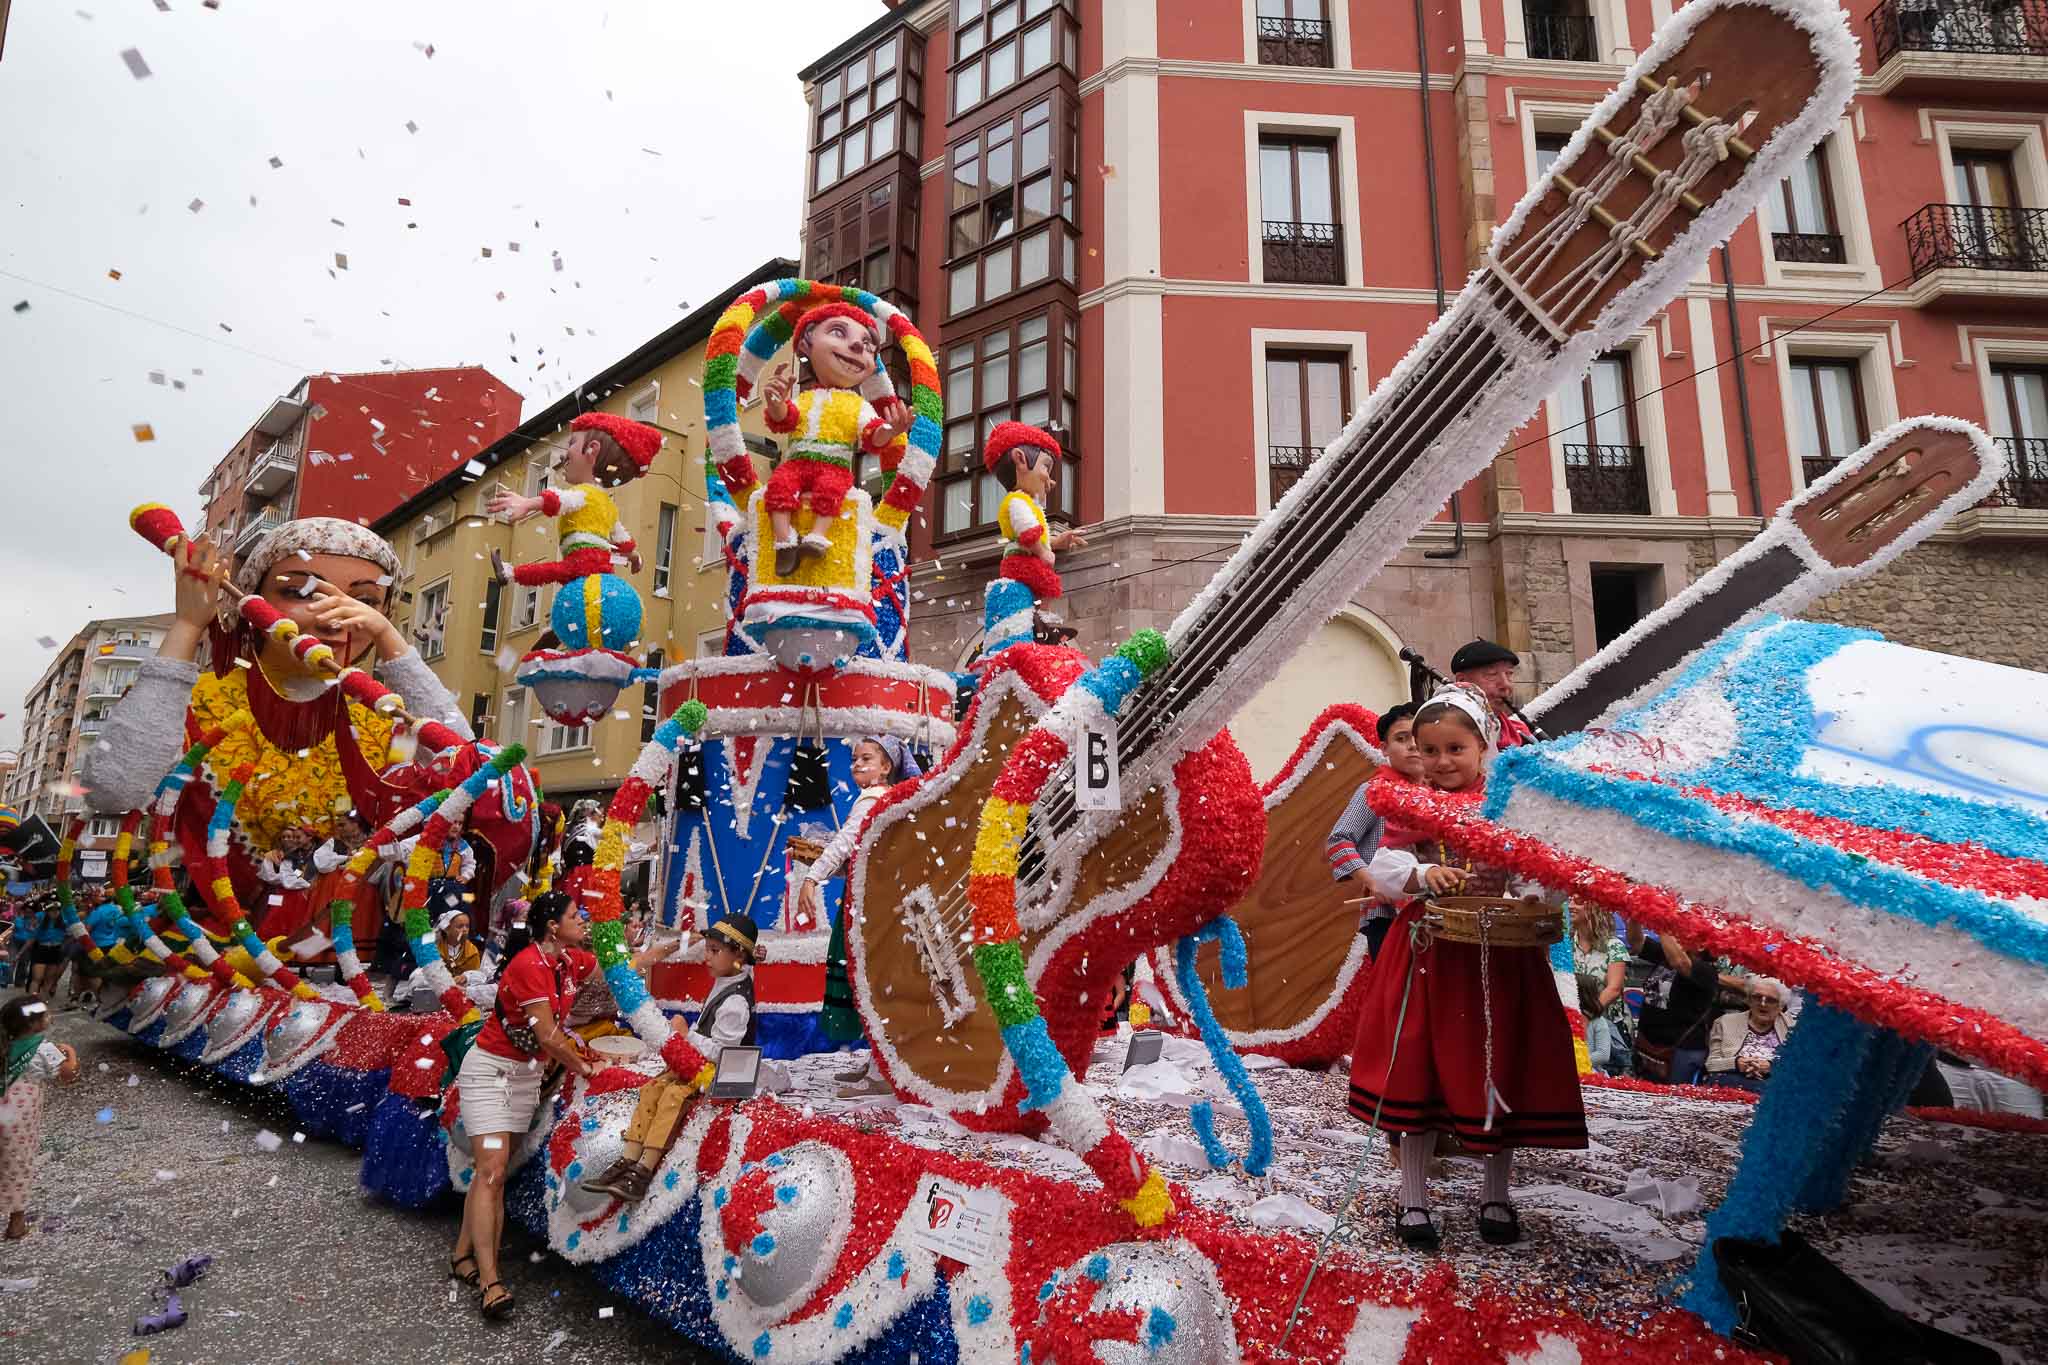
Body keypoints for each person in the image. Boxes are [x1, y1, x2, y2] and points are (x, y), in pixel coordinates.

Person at [80, 517, 473, 939]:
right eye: (297, 592)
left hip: (350, 953)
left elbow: (469, 773)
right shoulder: (204, 698)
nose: (333, 618)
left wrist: (390, 641)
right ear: (251, 601)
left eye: (365, 601)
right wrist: (189, 625)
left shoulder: (380, 715)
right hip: (216, 953)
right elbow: (114, 789)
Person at [1348, 685, 1585, 1250]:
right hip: (1429, 954)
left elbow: (1539, 870)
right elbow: (1382, 861)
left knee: (1499, 1064)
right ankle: (1413, 1200)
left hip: (1501, 957)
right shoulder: (1412, 806)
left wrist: (1533, 896)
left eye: (1456, 748)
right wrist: (1424, 876)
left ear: (1483, 747)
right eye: (1430, 750)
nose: (1442, 761)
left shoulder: (1510, 807)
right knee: (1418, 1069)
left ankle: (1496, 1195)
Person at [449, 893, 597, 1319]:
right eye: (574, 915)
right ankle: (491, 1283)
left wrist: (684, 946)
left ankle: (462, 1256)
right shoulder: (529, 964)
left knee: (491, 1171)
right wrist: (584, 1068)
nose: (581, 920)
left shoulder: (568, 961)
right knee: (493, 1170)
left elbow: (620, 969)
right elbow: (549, 1037)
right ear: (552, 925)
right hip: (491, 1073)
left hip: (525, 1079)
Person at [582, 913, 760, 1203]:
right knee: (652, 1087)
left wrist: (686, 1035)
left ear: (738, 954)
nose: (708, 957)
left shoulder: (737, 1000)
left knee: (673, 1095)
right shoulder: (731, 975)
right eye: (708, 949)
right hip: (698, 1061)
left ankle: (643, 1170)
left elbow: (725, 1052)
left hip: (719, 1071)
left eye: (715, 951)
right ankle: (627, 1160)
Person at [799, 736, 922, 1096]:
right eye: (853, 758)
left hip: (870, 907)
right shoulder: (886, 800)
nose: (856, 764)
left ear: (886, 767)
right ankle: (878, 1065)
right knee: (874, 982)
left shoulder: (871, 798)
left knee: (869, 982)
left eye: (866, 758)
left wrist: (811, 877)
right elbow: (865, 856)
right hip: (876, 902)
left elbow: (844, 844)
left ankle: (883, 1074)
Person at [759, 302, 914, 575]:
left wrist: (891, 430)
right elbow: (784, 419)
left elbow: (872, 437)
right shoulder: (805, 399)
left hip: (834, 465)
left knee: (831, 491)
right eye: (839, 333)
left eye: (867, 345)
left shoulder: (857, 405)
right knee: (779, 487)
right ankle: (784, 542)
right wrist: (775, 402)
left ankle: (817, 539)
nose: (857, 347)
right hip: (795, 463)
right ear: (806, 344)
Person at [485, 412, 658, 587]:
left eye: (572, 442)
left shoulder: (587, 494)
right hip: (599, 568)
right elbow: (623, 541)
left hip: (581, 562)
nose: (563, 455)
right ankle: (509, 573)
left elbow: (558, 500)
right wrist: (635, 557)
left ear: (592, 449)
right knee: (553, 571)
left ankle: (510, 573)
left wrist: (527, 503)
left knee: (552, 570)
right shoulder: (608, 505)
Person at [1326, 703, 1423, 961]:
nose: (1413, 745)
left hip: (1436, 913)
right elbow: (1338, 842)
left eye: (1419, 738)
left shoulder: (1443, 792)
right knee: (1396, 997)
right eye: (1401, 739)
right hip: (1387, 914)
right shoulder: (1374, 791)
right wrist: (1372, 881)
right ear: (1384, 749)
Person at [1, 995, 80, 1239]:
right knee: (17, 1164)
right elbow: (68, 1076)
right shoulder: (44, 1049)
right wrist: (72, 1054)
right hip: (19, 1118)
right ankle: (16, 1224)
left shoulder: (3, 1044)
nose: (50, 1017)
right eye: (45, 1015)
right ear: (33, 1025)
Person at [984, 422, 1085, 602]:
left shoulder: (1027, 504)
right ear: (1020, 459)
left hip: (1023, 558)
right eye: (1046, 467)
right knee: (1047, 583)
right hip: (1020, 561)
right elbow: (1027, 531)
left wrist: (1057, 542)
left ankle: (1041, 619)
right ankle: (1043, 620)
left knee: (1045, 585)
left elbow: (1035, 534)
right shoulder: (1018, 501)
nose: (1051, 482)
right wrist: (1043, 552)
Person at [1633, 930, 1724, 1085]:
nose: (1677, 936)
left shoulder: (1706, 971)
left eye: (1684, 933)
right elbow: (1636, 942)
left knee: (1673, 1100)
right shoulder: (1665, 956)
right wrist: (1637, 914)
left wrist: (1663, 925)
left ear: (1701, 946)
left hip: (1681, 1050)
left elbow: (1680, 963)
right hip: (1649, 1043)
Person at [1571, 903, 1634, 1077]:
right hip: (1570, 1024)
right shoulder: (1565, 944)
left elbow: (1613, 988)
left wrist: (1586, 1015)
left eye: (1577, 902)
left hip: (1605, 1025)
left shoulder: (1614, 946)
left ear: (1594, 908)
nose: (1570, 905)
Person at [1705, 977, 1791, 1093]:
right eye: (1757, 997)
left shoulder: (1793, 1027)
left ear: (1781, 1005)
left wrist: (1772, 1067)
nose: (1763, 1003)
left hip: (1776, 1088)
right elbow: (1711, 1064)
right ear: (1749, 1000)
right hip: (1732, 1084)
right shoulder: (1724, 1022)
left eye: (1770, 1000)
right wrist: (1737, 1063)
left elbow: (1801, 1066)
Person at [1449, 639, 1534, 748]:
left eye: (1509, 674)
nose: (1506, 685)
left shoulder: (1521, 732)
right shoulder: (1444, 733)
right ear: (1462, 681)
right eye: (1492, 674)